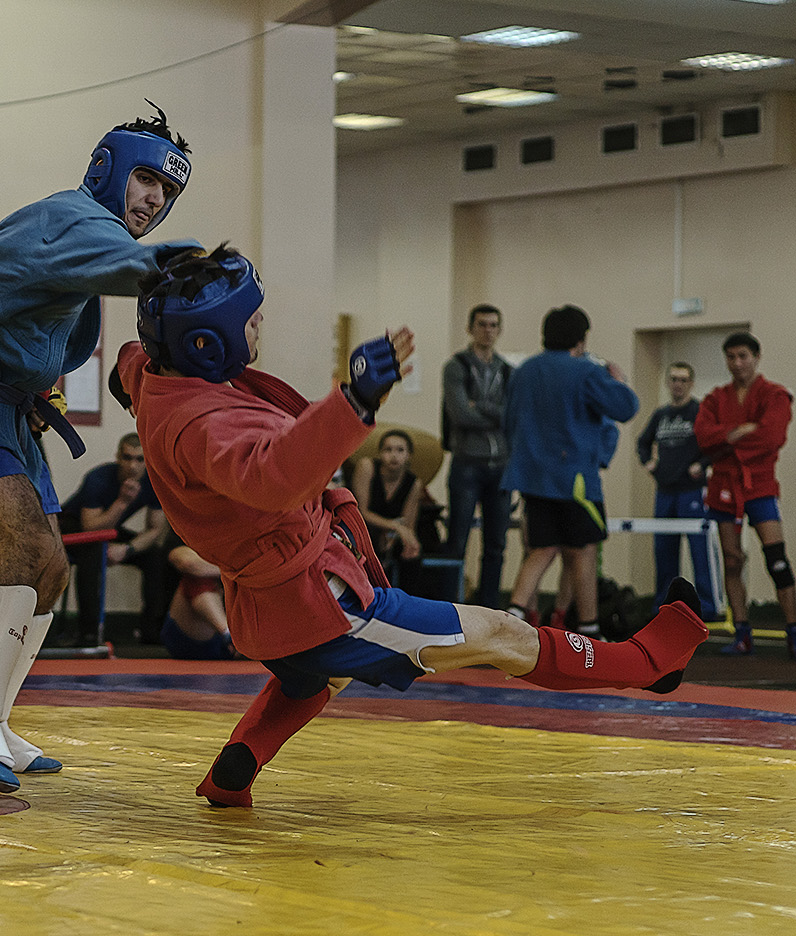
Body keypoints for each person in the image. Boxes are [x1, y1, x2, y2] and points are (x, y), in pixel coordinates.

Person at [115, 246, 705, 808]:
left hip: (272, 604)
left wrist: (177, 274)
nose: (258, 326)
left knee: (314, 676)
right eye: (249, 320)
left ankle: (233, 769)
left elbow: (128, 363)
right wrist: (354, 400)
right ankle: (649, 663)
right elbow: (273, 474)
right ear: (206, 342)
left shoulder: (157, 377)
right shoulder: (202, 422)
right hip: (315, 602)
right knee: (501, 635)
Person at [0, 104, 201, 793]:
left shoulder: (89, 232)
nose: (153, 199)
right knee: (27, 549)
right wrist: (196, 270)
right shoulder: (75, 220)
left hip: (6, 412)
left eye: (167, 192)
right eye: (145, 179)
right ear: (107, 169)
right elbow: (131, 268)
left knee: (52, 569)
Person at [501, 306, 638, 637]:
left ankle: (509, 622)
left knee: (541, 549)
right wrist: (618, 382)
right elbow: (625, 408)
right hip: (575, 480)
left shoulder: (523, 371)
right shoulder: (585, 371)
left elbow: (508, 423)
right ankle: (589, 629)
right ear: (581, 338)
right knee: (583, 551)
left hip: (532, 477)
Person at [694, 332, 796, 657]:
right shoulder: (715, 398)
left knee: (777, 560)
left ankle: (793, 629)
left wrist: (725, 444)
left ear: (756, 357)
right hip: (724, 488)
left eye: (743, 356)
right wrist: (735, 433)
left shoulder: (775, 394)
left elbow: (772, 436)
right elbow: (702, 436)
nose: (737, 363)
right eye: (731, 357)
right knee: (732, 560)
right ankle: (742, 632)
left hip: (760, 485)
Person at [59, 433, 172, 645]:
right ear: (118, 458)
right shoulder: (98, 478)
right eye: (127, 458)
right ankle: (89, 634)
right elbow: (90, 528)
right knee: (92, 552)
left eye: (139, 459)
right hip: (73, 527)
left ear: (147, 461)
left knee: (155, 555)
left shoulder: (154, 481)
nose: (132, 466)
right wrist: (122, 501)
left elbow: (156, 530)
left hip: (109, 528)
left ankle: (152, 632)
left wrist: (127, 549)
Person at [441, 304, 512, 609]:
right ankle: (450, 608)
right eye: (482, 324)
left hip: (501, 466)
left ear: (499, 330)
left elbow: (513, 417)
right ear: (470, 328)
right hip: (467, 463)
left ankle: (490, 609)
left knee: (496, 545)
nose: (488, 330)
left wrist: (478, 406)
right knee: (458, 540)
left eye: (493, 325)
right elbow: (460, 415)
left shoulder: (508, 370)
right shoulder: (456, 365)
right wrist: (495, 415)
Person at [636, 362, 715, 617]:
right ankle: (664, 606)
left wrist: (702, 465)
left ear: (691, 383)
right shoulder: (661, 415)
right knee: (664, 552)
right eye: (673, 379)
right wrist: (648, 462)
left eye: (683, 380)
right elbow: (643, 442)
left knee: (699, 552)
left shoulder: (700, 411)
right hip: (665, 492)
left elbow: (714, 444)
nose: (678, 384)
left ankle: (707, 607)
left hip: (691, 492)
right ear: (668, 383)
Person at [352, 429, 425, 592]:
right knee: (370, 540)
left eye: (400, 450)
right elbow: (361, 512)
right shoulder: (367, 467)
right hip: (362, 527)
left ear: (409, 455)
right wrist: (395, 527)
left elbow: (408, 525)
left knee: (412, 550)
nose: (394, 455)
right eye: (388, 450)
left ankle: (408, 603)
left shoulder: (414, 483)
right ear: (380, 453)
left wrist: (404, 540)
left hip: (391, 533)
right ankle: (367, 599)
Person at [161, 533, 236, 660]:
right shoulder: (183, 534)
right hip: (191, 634)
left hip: (240, 626)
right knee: (198, 577)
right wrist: (242, 572)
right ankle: (228, 634)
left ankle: (235, 638)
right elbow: (189, 563)